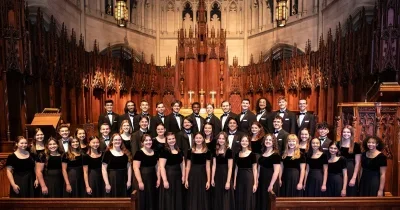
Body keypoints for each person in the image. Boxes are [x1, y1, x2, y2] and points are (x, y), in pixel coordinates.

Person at [184, 133, 212, 210]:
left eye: (200, 138)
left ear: (203, 139)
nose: (198, 140)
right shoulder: (190, 151)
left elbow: (208, 167)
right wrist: (186, 179)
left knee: (203, 195)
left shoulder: (207, 151)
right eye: (196, 138)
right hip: (192, 176)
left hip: (203, 176)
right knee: (193, 194)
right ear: (194, 139)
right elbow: (188, 166)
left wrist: (208, 181)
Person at [159, 132, 185, 210]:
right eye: (169, 139)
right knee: (169, 197)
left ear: (175, 139)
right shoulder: (164, 151)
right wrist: (165, 180)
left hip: (178, 176)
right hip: (169, 176)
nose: (171, 140)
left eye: (173, 138)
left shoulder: (179, 150)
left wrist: (183, 176)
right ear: (166, 140)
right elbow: (162, 166)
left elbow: (182, 164)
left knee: (178, 196)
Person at [133, 134, 160, 210]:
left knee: (152, 199)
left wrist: (158, 179)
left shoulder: (155, 152)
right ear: (142, 142)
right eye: (146, 140)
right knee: (143, 199)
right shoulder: (138, 153)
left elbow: (157, 167)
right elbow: (136, 168)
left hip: (153, 178)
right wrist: (140, 182)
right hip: (142, 178)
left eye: (150, 140)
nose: (148, 142)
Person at [211, 132, 235, 210]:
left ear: (226, 140)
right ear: (217, 140)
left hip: (225, 175)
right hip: (217, 176)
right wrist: (212, 178)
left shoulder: (229, 151)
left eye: (223, 139)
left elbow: (230, 167)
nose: (221, 140)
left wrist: (228, 181)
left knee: (225, 197)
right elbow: (214, 165)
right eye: (219, 138)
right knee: (217, 196)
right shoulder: (215, 151)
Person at [256, 134, 280, 210]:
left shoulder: (276, 155)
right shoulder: (262, 154)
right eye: (266, 140)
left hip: (270, 181)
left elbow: (276, 171)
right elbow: (259, 169)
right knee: (262, 201)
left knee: (269, 203)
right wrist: (257, 181)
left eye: (270, 140)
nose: (268, 141)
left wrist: (271, 185)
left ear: (273, 142)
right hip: (262, 181)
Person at [234, 135, 257, 210]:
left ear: (248, 143)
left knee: (248, 197)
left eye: (246, 141)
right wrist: (234, 182)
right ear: (240, 142)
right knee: (239, 197)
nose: (244, 142)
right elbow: (236, 169)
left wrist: (255, 183)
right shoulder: (237, 154)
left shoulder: (252, 154)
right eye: (243, 141)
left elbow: (255, 169)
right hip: (239, 178)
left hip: (249, 177)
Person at [338, 125, 361, 196]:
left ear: (351, 134)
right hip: (339, 169)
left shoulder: (356, 145)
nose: (346, 134)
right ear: (341, 133)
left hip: (350, 169)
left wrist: (354, 178)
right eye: (344, 132)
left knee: (350, 190)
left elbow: (357, 163)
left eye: (348, 132)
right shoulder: (338, 144)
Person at [31, 128, 45, 196]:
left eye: (41, 134)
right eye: (37, 135)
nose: (40, 136)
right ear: (34, 136)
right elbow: (34, 164)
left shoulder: (47, 145)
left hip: (46, 172)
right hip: (35, 173)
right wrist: (37, 178)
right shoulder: (31, 148)